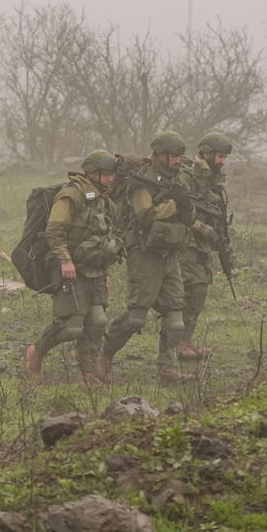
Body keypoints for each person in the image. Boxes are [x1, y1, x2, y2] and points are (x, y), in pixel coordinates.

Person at [100, 131, 194, 384]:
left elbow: (188, 216)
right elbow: (145, 215)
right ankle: (104, 355)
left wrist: (186, 205)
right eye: (172, 156)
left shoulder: (178, 179)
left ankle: (166, 368)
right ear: (159, 155)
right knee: (136, 317)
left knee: (175, 317)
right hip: (144, 253)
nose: (177, 161)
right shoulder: (143, 181)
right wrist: (175, 204)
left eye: (179, 156)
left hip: (169, 253)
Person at [25, 151, 124, 384]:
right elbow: (54, 230)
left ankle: (88, 374)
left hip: (96, 270)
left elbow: (104, 239)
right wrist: (65, 260)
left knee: (97, 322)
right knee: (71, 327)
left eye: (112, 175)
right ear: (93, 172)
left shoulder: (103, 200)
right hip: (72, 269)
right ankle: (36, 352)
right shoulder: (71, 195)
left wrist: (106, 273)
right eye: (107, 174)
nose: (111, 179)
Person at [172, 131, 233, 364]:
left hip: (201, 245)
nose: (222, 161)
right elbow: (177, 207)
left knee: (199, 291)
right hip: (185, 241)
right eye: (219, 155)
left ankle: (184, 342)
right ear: (205, 152)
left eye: (224, 157)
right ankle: (178, 345)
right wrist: (200, 228)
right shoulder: (187, 176)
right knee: (191, 291)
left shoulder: (213, 180)